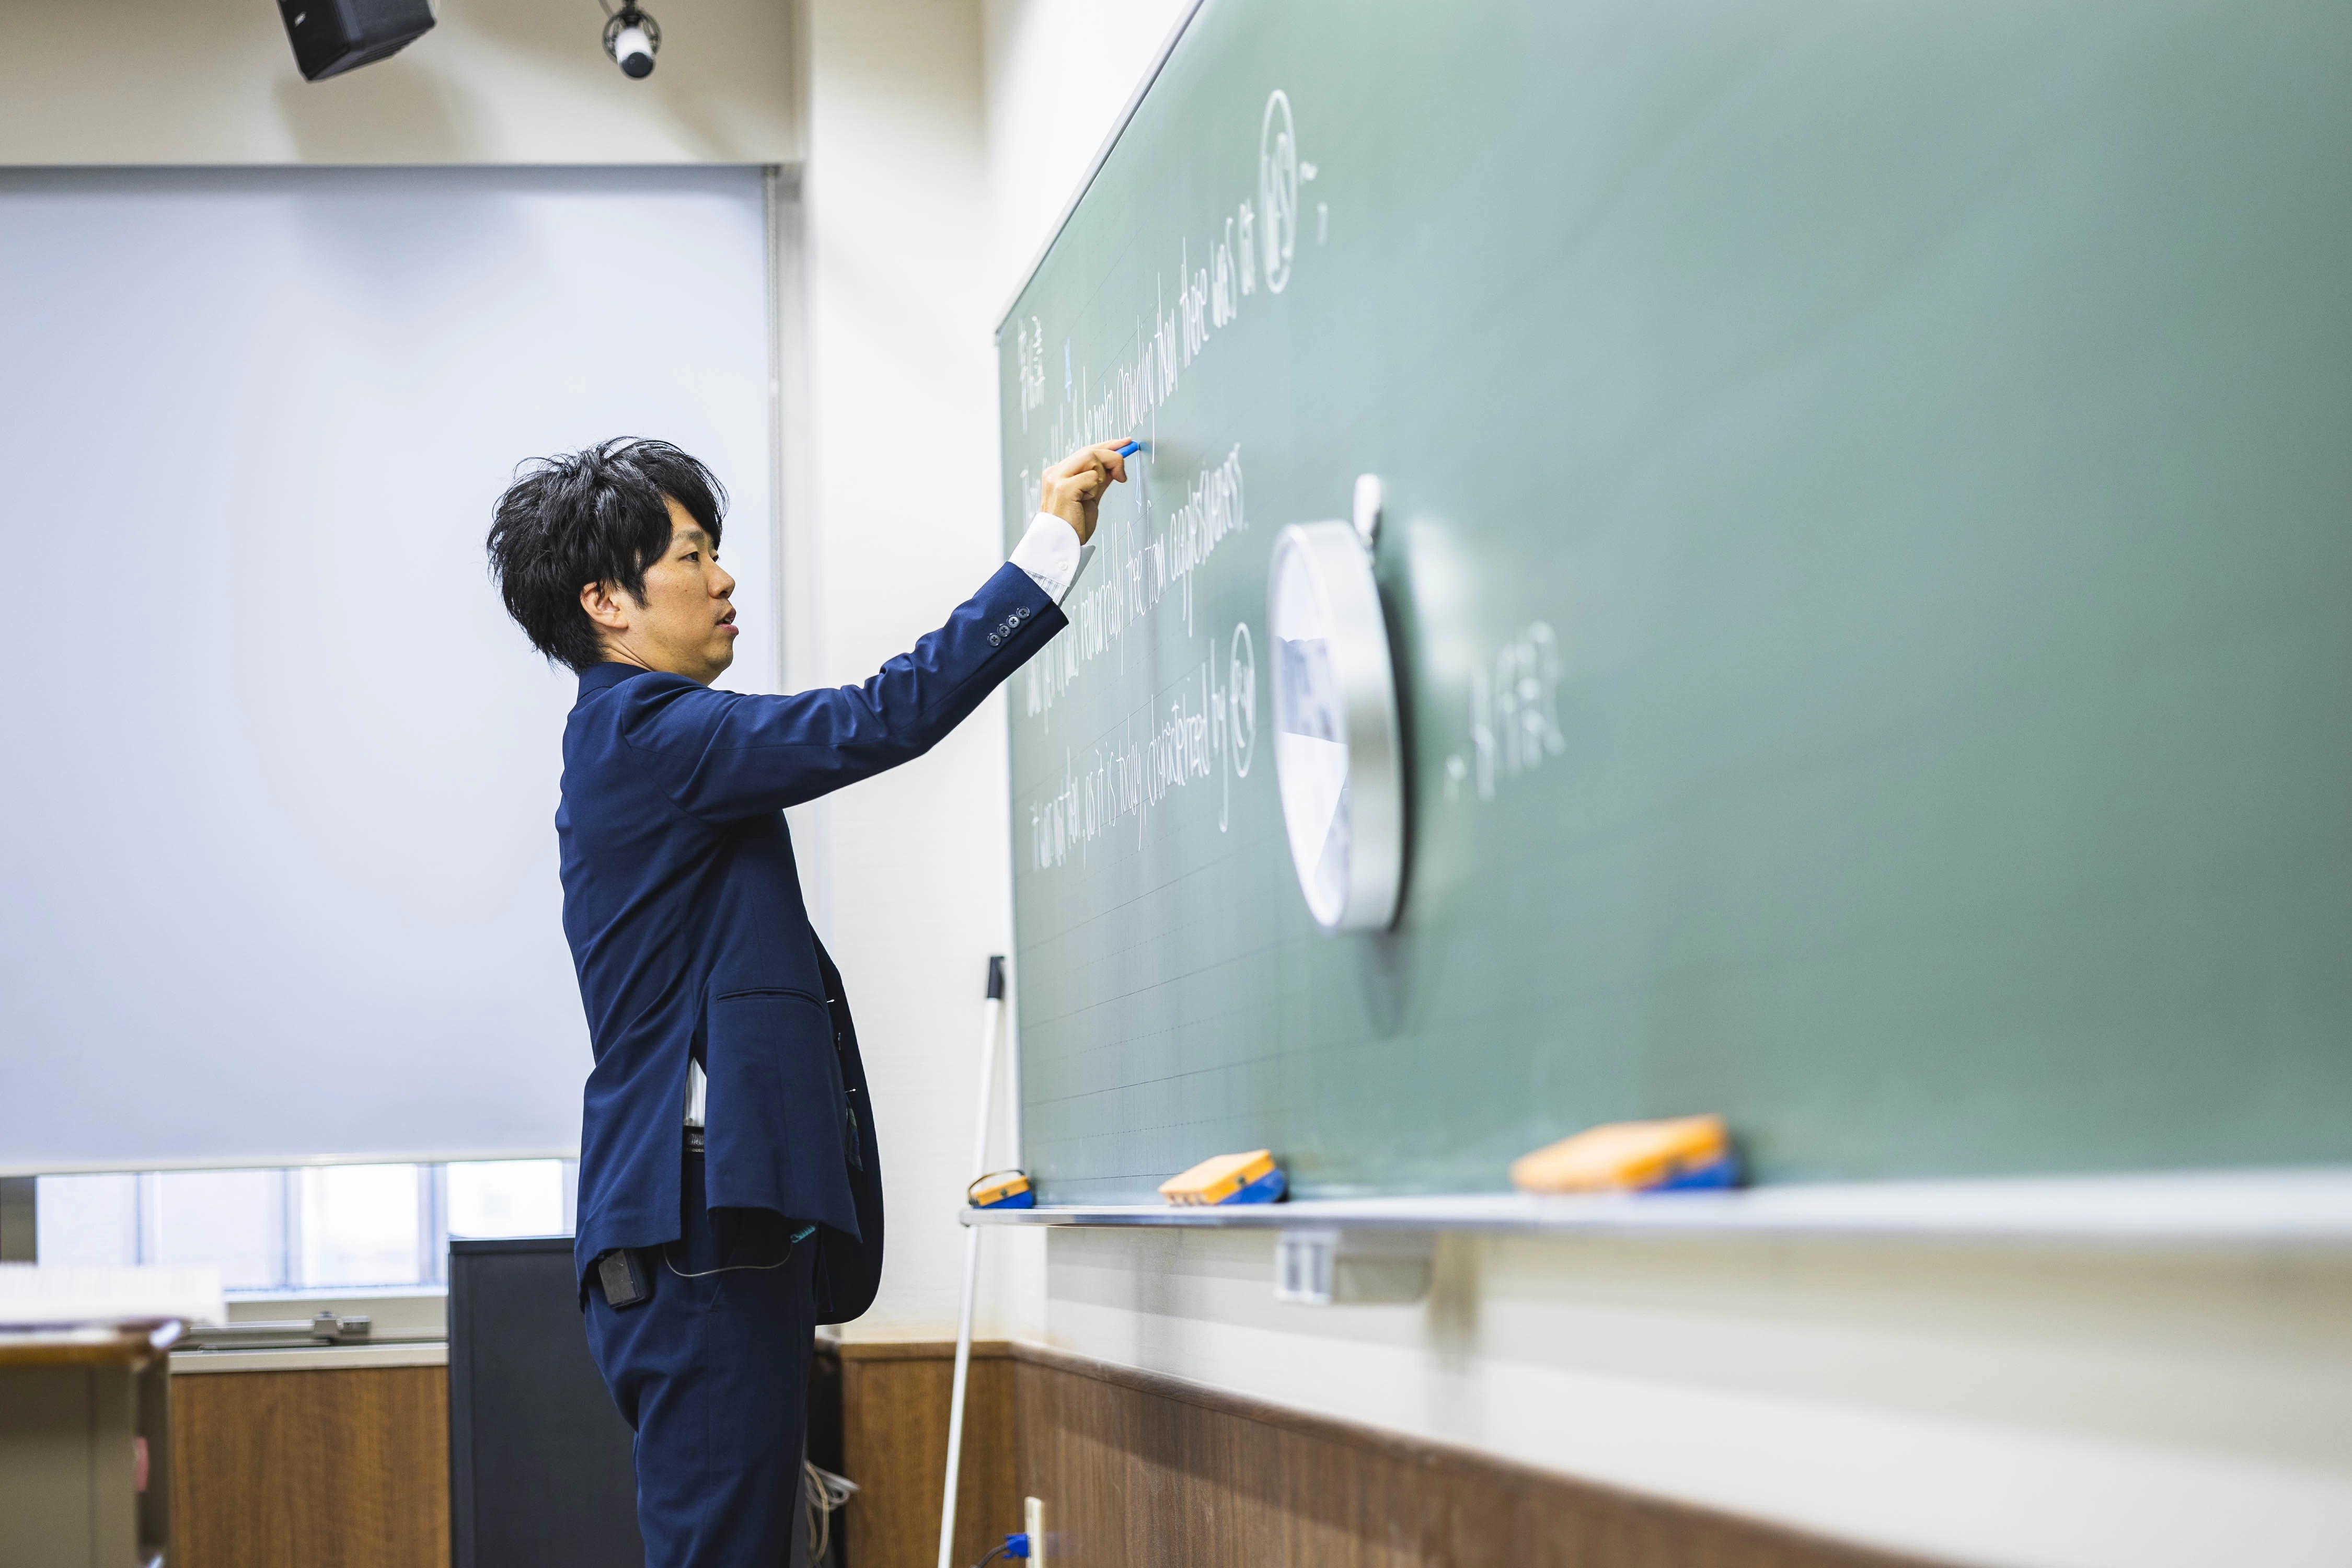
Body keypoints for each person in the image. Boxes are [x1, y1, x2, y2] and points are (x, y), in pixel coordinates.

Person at [484, 436, 1130, 1567]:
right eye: (692, 557)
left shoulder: (638, 745)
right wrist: (1047, 553)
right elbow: (881, 716)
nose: (725, 579)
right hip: (696, 1241)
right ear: (607, 602)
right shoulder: (649, 734)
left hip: (708, 1235)